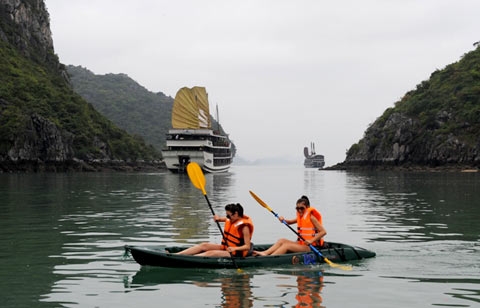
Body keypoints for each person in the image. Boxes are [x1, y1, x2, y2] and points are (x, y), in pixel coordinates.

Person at [255, 196, 326, 256]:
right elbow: (288, 222)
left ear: (307, 207)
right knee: (281, 240)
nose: (299, 210)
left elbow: (323, 232)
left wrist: (311, 240)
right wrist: (282, 219)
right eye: (297, 208)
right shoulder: (301, 217)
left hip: (311, 247)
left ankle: (269, 258)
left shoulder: (311, 217)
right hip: (301, 244)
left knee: (286, 246)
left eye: (302, 208)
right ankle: (265, 253)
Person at [177, 203, 254, 257]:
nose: (227, 217)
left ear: (236, 214)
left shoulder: (244, 227)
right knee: (204, 245)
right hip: (226, 247)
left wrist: (234, 248)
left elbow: (247, 246)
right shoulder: (231, 219)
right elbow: (222, 219)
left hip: (236, 253)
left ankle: (189, 259)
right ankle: (177, 255)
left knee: (211, 253)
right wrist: (218, 218)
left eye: (228, 215)